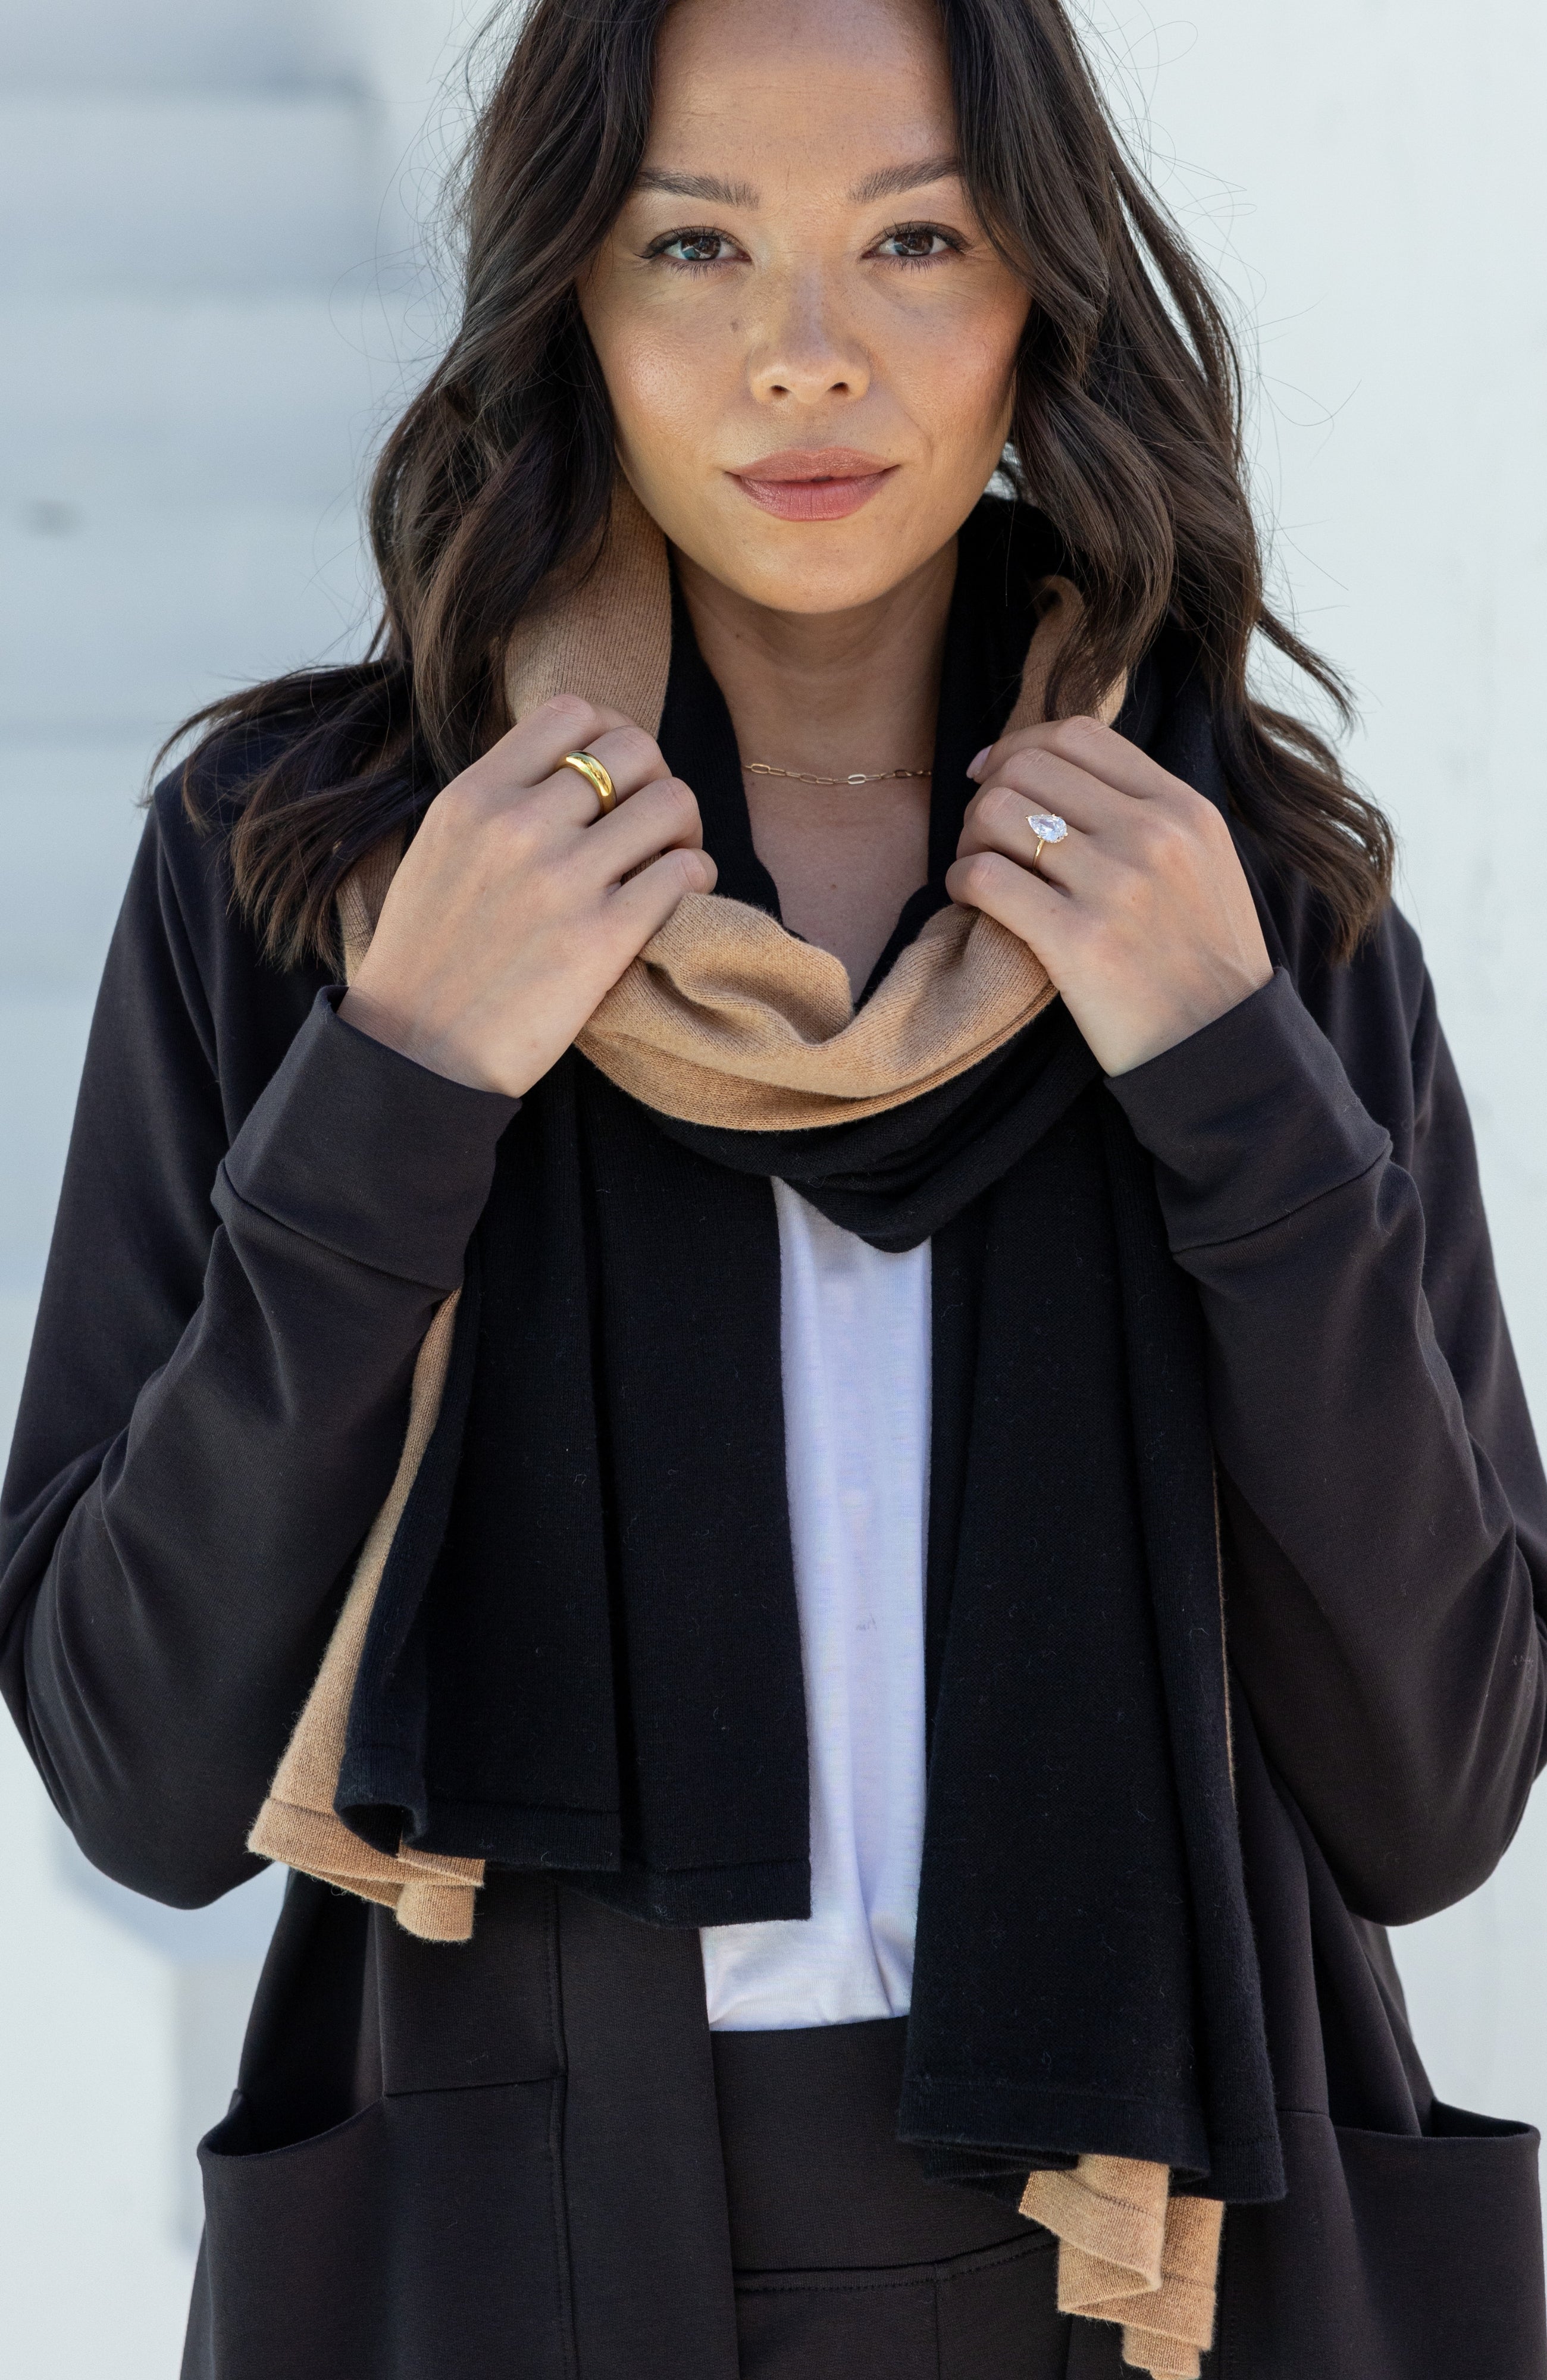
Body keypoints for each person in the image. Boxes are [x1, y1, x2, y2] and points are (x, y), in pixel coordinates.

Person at [3, 0, 1545, 2373]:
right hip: (522, 2270)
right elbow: (138, 1769)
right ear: (570, 301)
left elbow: (1434, 1793)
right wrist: (406, 1081)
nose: (802, 354)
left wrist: (1232, 1085)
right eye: (693, 244)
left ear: (1038, 291)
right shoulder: (322, 878)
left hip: (1153, 2289)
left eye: (911, 238)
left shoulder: (1232, 904)